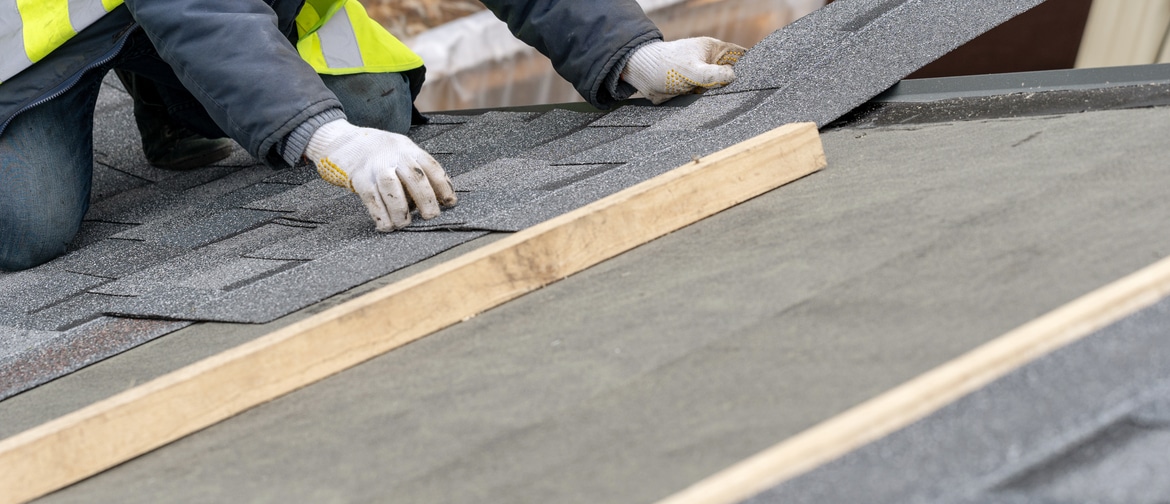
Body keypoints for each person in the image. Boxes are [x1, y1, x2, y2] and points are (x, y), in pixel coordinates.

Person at [0, 0, 745, 272]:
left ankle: (170, 93)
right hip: (48, 35)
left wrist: (625, 54)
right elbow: (200, 11)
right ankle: (161, 73)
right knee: (26, 222)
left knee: (376, 112)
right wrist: (324, 137)